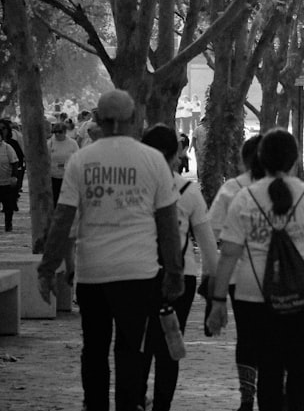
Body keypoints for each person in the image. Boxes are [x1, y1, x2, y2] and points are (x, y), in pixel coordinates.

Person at [37, 89, 184, 411]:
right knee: (132, 350)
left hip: (93, 275)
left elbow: (63, 219)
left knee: (94, 350)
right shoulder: (153, 161)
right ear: (134, 120)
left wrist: (47, 269)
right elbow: (168, 225)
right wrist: (174, 272)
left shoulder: (81, 160)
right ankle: (129, 405)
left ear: (100, 121)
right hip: (138, 274)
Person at [208, 129, 304, 411]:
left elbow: (228, 255)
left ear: (260, 160)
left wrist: (218, 300)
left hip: (253, 295)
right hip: (302, 295)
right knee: (300, 362)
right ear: (294, 161)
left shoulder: (244, 198)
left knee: (268, 365)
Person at [139, 125, 219, 411]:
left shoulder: (134, 187)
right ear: (175, 155)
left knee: (137, 343)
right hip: (179, 278)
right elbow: (208, 245)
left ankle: (135, 397)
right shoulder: (188, 189)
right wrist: (215, 290)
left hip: (137, 275)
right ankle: (162, 405)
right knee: (170, 346)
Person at [205, 135, 264, 411]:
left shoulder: (232, 189)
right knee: (275, 336)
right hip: (278, 279)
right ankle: (273, 392)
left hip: (239, 276)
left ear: (244, 160)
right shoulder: (288, 189)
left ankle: (246, 397)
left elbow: (212, 234)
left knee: (247, 336)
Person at [48, 122, 79, 208]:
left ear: (65, 132)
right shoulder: (50, 143)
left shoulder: (72, 143)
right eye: (55, 132)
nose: (57, 134)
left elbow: (77, 158)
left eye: (60, 132)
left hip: (68, 176)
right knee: (55, 198)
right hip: (53, 175)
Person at [0, 121, 23, 232]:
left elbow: (15, 163)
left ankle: (8, 224)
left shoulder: (8, 147)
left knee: (8, 206)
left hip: (7, 182)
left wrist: (14, 176)